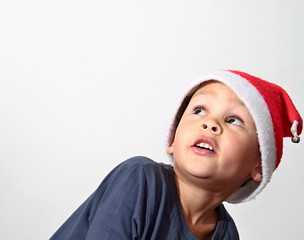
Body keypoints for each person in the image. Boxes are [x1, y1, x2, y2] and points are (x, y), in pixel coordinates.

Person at [50, 70, 302, 240]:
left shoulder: (225, 234)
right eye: (200, 110)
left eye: (234, 120)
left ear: (258, 166)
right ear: (172, 140)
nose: (211, 124)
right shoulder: (140, 180)